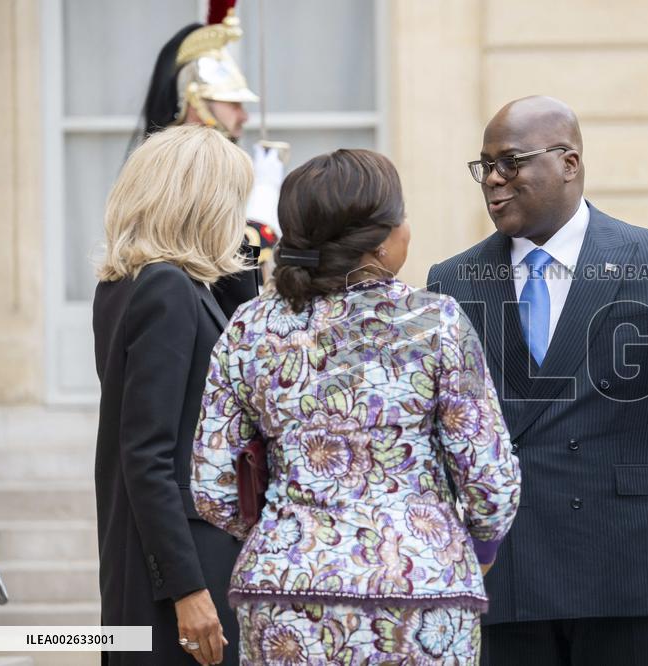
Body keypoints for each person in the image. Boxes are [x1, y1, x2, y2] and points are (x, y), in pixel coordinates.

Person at [427, 95, 648, 666]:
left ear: (568, 163)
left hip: (633, 566)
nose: (493, 179)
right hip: (509, 571)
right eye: (485, 166)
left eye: (510, 162)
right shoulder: (453, 280)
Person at [191, 149, 522, 664]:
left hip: (285, 594)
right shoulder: (435, 322)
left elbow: (212, 489)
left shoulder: (250, 327)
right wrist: (480, 547)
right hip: (419, 591)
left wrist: (285, 532)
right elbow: (490, 482)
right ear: (380, 240)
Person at [93, 125, 254, 666]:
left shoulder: (130, 284)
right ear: (204, 203)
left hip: (159, 552)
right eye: (234, 200)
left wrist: (239, 267)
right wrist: (187, 589)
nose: (238, 215)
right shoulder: (167, 288)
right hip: (183, 561)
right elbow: (147, 453)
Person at [136, 2, 283, 313]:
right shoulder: (177, 167)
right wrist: (263, 201)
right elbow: (226, 253)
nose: (243, 116)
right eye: (233, 104)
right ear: (196, 101)